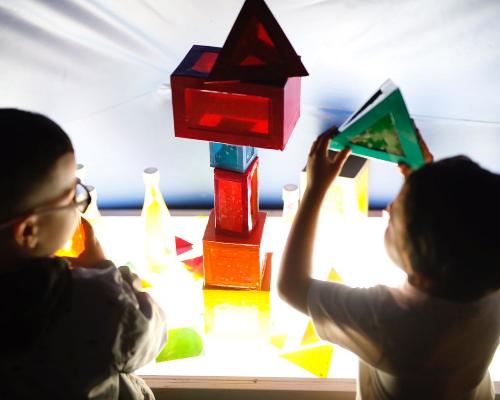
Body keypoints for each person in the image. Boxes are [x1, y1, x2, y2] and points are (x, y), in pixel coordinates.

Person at [278, 127, 500, 400]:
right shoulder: (488, 279)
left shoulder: (389, 322)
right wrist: (424, 181)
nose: (390, 208)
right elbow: (463, 225)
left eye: (395, 219)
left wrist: (315, 189)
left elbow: (291, 286)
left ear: (420, 270)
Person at [0, 109, 167, 399]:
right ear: (27, 232)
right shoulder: (92, 303)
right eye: (72, 196)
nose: (79, 204)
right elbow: (151, 334)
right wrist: (104, 270)